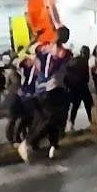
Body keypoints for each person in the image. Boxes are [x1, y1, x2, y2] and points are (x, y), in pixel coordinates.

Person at [17, 26, 73, 163]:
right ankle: (30, 142)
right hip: (51, 89)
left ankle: (51, 145)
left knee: (43, 117)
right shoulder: (63, 52)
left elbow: (27, 50)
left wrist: (33, 40)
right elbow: (57, 66)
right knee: (53, 118)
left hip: (41, 89)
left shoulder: (41, 47)